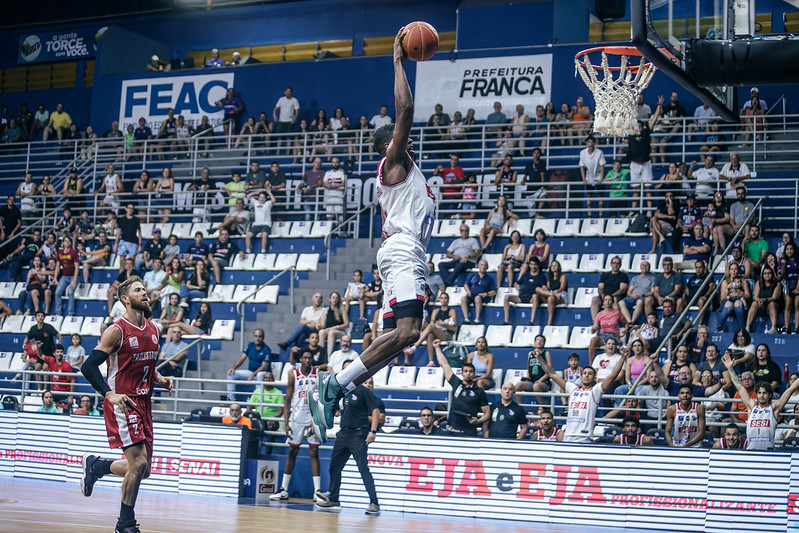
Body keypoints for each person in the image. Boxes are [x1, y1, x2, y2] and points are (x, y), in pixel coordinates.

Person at [308, 28, 437, 444]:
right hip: (402, 251)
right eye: (401, 137)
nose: (408, 137)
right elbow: (405, 109)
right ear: (391, 146)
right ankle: (333, 385)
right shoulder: (394, 164)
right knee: (408, 333)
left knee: (395, 342)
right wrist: (398, 60)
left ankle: (337, 386)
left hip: (404, 253)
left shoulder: (408, 173)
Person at [79, 276, 172, 533]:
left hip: (144, 402)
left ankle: (96, 466)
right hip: (123, 402)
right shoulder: (116, 330)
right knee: (139, 463)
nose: (144, 293)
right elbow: (88, 366)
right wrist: (108, 394)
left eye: (144, 289)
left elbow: (144, 363)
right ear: (125, 299)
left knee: (143, 470)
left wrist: (160, 378)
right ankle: (125, 524)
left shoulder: (153, 329)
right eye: (138, 290)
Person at [315, 361, 380, 515]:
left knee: (363, 468)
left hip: (358, 434)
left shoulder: (363, 391)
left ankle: (374, 502)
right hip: (343, 434)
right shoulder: (341, 392)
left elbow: (375, 410)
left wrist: (373, 431)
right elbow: (338, 410)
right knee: (334, 466)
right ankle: (333, 498)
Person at [540, 348, 628, 442]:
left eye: (590, 374)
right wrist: (539, 358)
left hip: (584, 438)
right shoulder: (573, 388)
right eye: (584, 373)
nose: (586, 375)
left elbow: (612, 375)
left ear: (594, 378)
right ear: (581, 376)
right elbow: (552, 374)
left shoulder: (595, 390)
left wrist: (623, 357)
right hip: (568, 436)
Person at [270, 351, 323, 502]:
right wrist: (286, 423)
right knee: (292, 451)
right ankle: (284, 490)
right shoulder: (293, 374)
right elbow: (287, 400)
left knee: (314, 452)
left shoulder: (317, 373)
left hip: (312, 417)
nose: (307, 360)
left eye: (309, 357)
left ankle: (317, 492)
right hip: (297, 417)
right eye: (305, 358)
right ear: (300, 359)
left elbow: (321, 400)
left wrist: (317, 420)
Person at [723, 352, 799, 450]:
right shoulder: (752, 406)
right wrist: (730, 368)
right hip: (751, 452)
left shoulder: (774, 408)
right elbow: (739, 387)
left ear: (770, 395)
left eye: (764, 393)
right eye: (759, 393)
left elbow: (790, 390)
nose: (761, 396)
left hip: (768, 453)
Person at [433, 340, 490, 436]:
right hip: (451, 431)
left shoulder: (479, 391)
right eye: (466, 371)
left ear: (474, 374)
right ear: (461, 373)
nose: (468, 373)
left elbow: (487, 413)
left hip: (468, 432)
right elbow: (444, 364)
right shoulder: (456, 383)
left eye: (471, 371)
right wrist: (437, 348)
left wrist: (478, 421)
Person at [625, 95, 664, 210]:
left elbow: (654, 119)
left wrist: (659, 106)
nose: (639, 127)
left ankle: (649, 210)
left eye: (640, 125)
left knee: (648, 188)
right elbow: (626, 117)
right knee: (635, 190)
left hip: (646, 163)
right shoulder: (631, 133)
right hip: (634, 164)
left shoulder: (646, 132)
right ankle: (633, 211)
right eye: (637, 125)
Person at [226, 329, 271, 401]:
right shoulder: (250, 345)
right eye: (256, 336)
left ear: (263, 337)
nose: (257, 338)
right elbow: (242, 358)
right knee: (231, 374)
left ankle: (257, 400)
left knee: (259, 375)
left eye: (260, 336)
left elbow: (264, 367)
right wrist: (233, 368)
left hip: (263, 374)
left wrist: (252, 376)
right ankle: (231, 399)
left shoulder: (266, 349)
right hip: (251, 372)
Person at [503, 257, 547, 325]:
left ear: (538, 265)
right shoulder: (526, 274)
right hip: (522, 296)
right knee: (506, 297)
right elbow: (516, 283)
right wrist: (517, 286)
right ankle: (506, 321)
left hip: (532, 298)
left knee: (535, 296)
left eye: (535, 264)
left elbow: (544, 287)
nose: (533, 266)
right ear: (529, 265)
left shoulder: (541, 276)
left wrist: (544, 288)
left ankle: (531, 321)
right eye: (531, 264)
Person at [514, 335, 552, 405]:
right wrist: (527, 377)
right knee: (518, 385)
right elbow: (529, 367)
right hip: (532, 381)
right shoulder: (530, 353)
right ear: (534, 343)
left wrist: (540, 380)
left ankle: (541, 407)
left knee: (536, 386)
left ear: (544, 343)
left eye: (541, 341)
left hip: (544, 382)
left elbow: (549, 371)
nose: (539, 342)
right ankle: (520, 407)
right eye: (537, 340)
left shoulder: (546, 353)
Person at [460, 259, 496, 324]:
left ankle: (477, 319)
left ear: (487, 267)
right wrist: (468, 291)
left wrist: (486, 293)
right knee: (463, 299)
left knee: (477, 298)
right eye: (481, 265)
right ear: (478, 266)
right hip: (472, 294)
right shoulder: (472, 275)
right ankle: (466, 319)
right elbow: (466, 284)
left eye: (485, 265)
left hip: (483, 296)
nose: (483, 267)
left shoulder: (490, 278)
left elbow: (494, 291)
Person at [579, 135, 606, 217]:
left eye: (592, 142)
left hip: (598, 177)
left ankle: (600, 215)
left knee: (600, 199)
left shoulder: (599, 152)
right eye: (589, 142)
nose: (590, 144)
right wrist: (584, 179)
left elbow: (602, 166)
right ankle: (589, 215)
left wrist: (601, 178)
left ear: (594, 143)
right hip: (589, 177)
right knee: (589, 200)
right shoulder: (582, 153)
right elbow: (581, 166)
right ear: (587, 143)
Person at [245, 188, 276, 254]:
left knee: (264, 235)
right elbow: (248, 196)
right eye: (260, 197)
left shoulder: (268, 203)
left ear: (265, 198)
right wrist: (256, 192)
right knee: (248, 235)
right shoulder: (255, 202)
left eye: (263, 197)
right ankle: (248, 251)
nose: (262, 199)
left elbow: (273, 200)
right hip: (256, 225)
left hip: (266, 224)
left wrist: (269, 193)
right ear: (258, 198)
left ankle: (263, 251)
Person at [273, 87, 300, 154]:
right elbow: (275, 108)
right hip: (281, 121)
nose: (288, 92)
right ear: (285, 92)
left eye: (289, 91)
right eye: (287, 91)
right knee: (280, 137)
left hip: (289, 121)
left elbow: (297, 110)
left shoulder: (294, 100)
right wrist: (274, 115)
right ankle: (278, 151)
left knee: (289, 137)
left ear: (291, 92)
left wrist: (294, 118)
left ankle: (288, 152)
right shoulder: (281, 99)